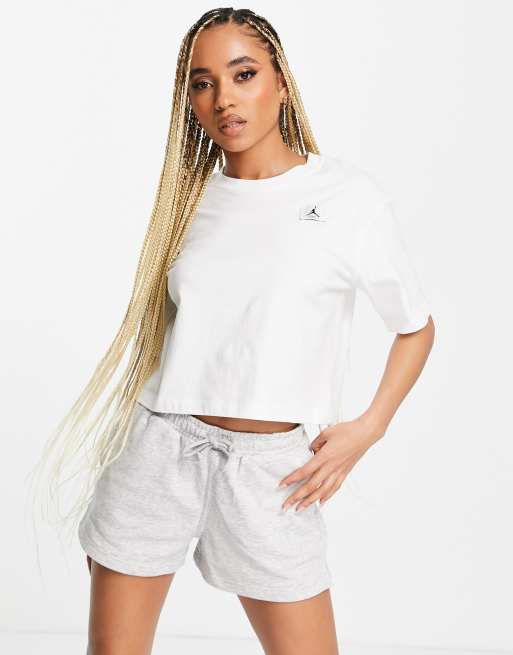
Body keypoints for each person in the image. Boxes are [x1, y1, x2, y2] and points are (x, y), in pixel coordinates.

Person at [28, 7, 435, 655]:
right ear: (189, 100)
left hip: (271, 473)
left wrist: (369, 427)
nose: (223, 98)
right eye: (203, 83)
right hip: (158, 449)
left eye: (243, 74)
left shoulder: (347, 199)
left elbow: (414, 327)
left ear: (281, 82)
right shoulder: (187, 201)